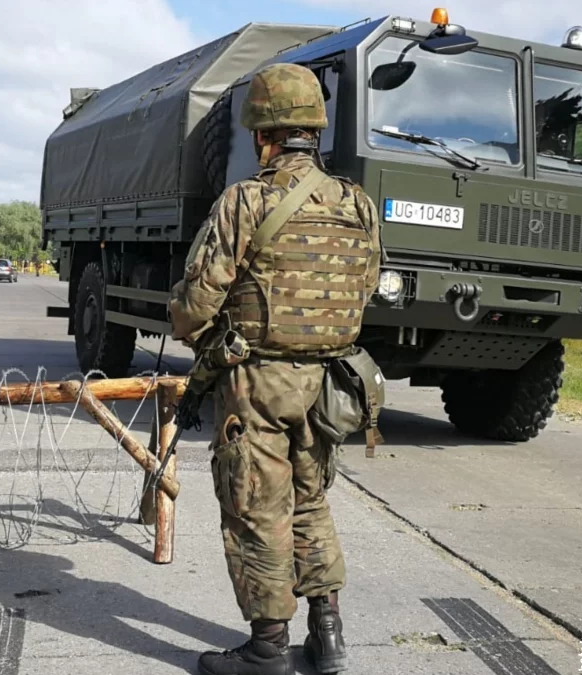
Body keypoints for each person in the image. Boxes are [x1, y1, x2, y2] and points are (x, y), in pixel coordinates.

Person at [169, 63, 382, 675]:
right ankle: (329, 637)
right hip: (330, 383)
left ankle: (268, 650)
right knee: (310, 501)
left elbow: (198, 302)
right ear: (313, 131)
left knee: (256, 506)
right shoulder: (357, 204)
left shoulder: (246, 200)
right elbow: (364, 289)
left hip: (258, 382)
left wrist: (183, 317)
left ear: (263, 133)